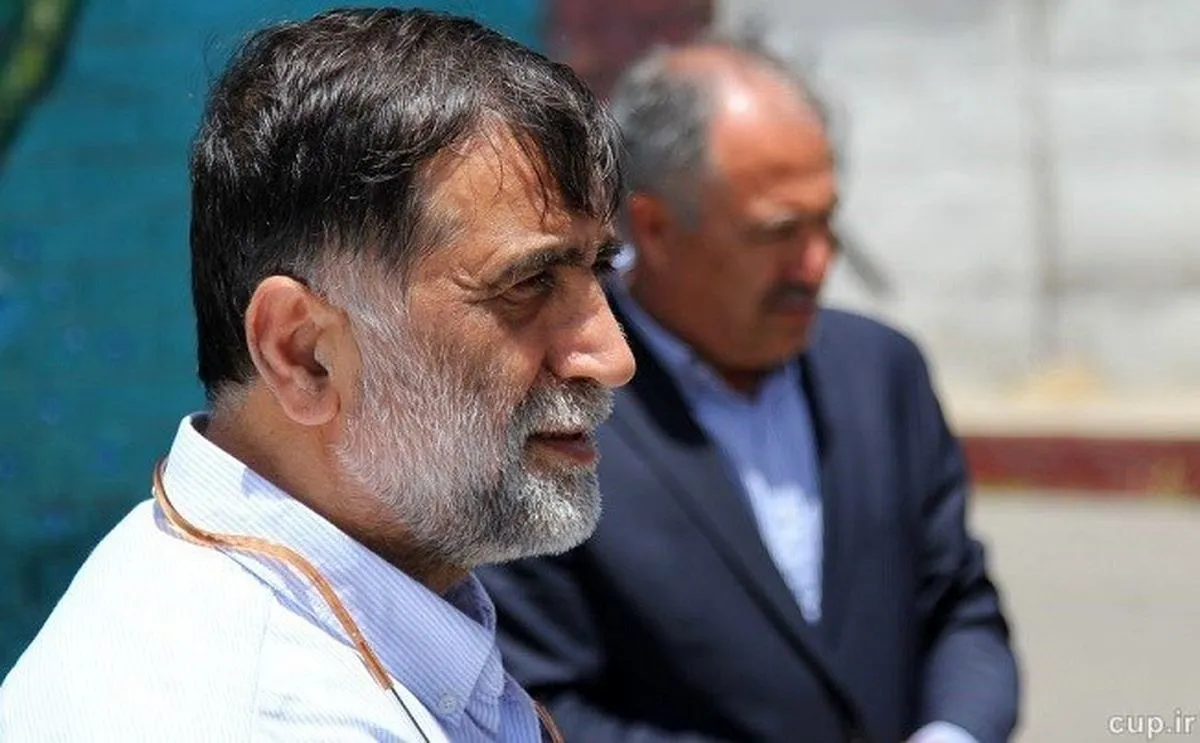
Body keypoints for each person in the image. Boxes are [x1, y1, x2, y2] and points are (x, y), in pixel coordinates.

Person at [0, 8, 634, 741]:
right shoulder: (253, 715)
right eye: (527, 283)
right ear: (303, 354)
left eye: (598, 270)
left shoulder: (314, 610)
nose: (612, 357)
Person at [476, 37, 1021, 743]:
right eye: (779, 232)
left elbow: (958, 608)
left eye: (827, 221)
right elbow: (544, 705)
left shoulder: (882, 372)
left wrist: (952, 733)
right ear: (656, 227)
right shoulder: (555, 413)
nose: (816, 264)